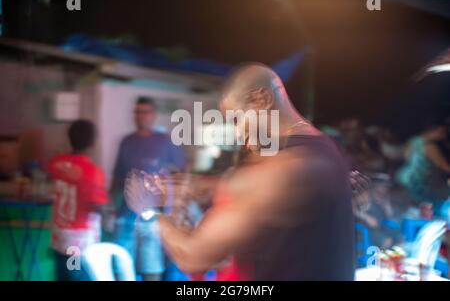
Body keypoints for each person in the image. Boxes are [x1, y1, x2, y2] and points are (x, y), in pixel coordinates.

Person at [156, 64, 355, 280]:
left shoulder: (286, 169)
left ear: (262, 100)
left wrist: (153, 211)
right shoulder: (321, 148)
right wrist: (205, 185)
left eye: (236, 119)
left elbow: (192, 257)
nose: (238, 134)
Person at [110, 96, 186, 281]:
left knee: (151, 268)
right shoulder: (126, 142)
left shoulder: (165, 142)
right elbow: (117, 177)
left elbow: (181, 175)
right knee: (122, 267)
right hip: (126, 216)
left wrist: (174, 209)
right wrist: (111, 208)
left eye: (145, 112)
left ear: (153, 115)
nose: (141, 116)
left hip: (153, 218)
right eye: (137, 112)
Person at [47, 120, 108, 281]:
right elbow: (96, 205)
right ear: (93, 143)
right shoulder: (92, 172)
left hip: (59, 236)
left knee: (63, 276)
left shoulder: (56, 163)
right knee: (75, 276)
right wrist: (107, 210)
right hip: (77, 243)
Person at [397, 124, 450, 213]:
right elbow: (443, 166)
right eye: (443, 133)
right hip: (421, 184)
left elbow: (406, 159)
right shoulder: (429, 146)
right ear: (435, 130)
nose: (443, 136)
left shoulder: (412, 141)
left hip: (407, 180)